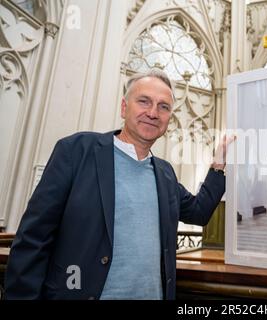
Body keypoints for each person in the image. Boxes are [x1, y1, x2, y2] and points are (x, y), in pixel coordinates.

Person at [5, 68, 234, 300]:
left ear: (169, 119)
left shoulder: (164, 173)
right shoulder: (77, 151)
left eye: (163, 107)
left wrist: (218, 165)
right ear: (124, 107)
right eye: (144, 101)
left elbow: (198, 212)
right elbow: (33, 239)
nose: (153, 113)